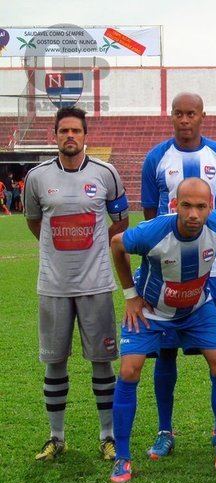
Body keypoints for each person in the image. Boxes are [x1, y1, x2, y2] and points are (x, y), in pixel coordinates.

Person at [108, 178, 216, 483]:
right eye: (187, 205)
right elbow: (116, 244)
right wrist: (130, 296)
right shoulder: (153, 232)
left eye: (201, 206)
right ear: (175, 205)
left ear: (210, 208)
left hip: (196, 310)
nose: (193, 213)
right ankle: (123, 457)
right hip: (151, 311)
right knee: (128, 370)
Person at [140, 92, 216, 460]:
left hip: (214, 271)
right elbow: (151, 220)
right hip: (168, 273)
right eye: (179, 114)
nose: (185, 120)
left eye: (192, 113)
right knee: (165, 352)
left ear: (203, 115)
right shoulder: (156, 159)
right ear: (171, 116)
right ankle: (164, 431)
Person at [23, 106, 129, 461]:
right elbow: (35, 223)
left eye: (76, 131)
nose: (70, 136)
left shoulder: (106, 173)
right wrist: (60, 252)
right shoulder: (37, 177)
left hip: (96, 282)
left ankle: (107, 437)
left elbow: (120, 221)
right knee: (55, 362)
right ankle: (56, 437)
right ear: (54, 136)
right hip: (53, 284)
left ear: (86, 136)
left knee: (103, 361)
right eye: (63, 131)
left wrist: (94, 246)